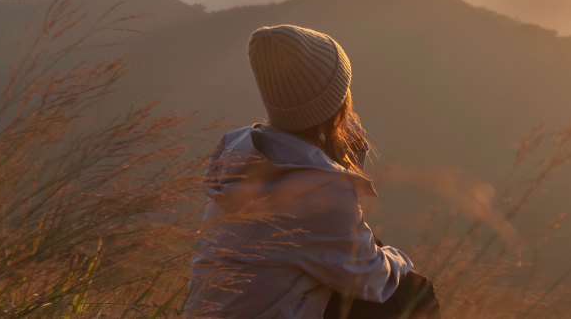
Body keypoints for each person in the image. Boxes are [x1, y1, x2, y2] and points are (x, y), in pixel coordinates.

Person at [188, 25, 439, 319]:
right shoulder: (318, 190)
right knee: (415, 292)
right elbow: (372, 280)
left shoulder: (245, 153)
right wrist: (401, 260)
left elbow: (334, 239)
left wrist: (341, 162)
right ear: (335, 103)